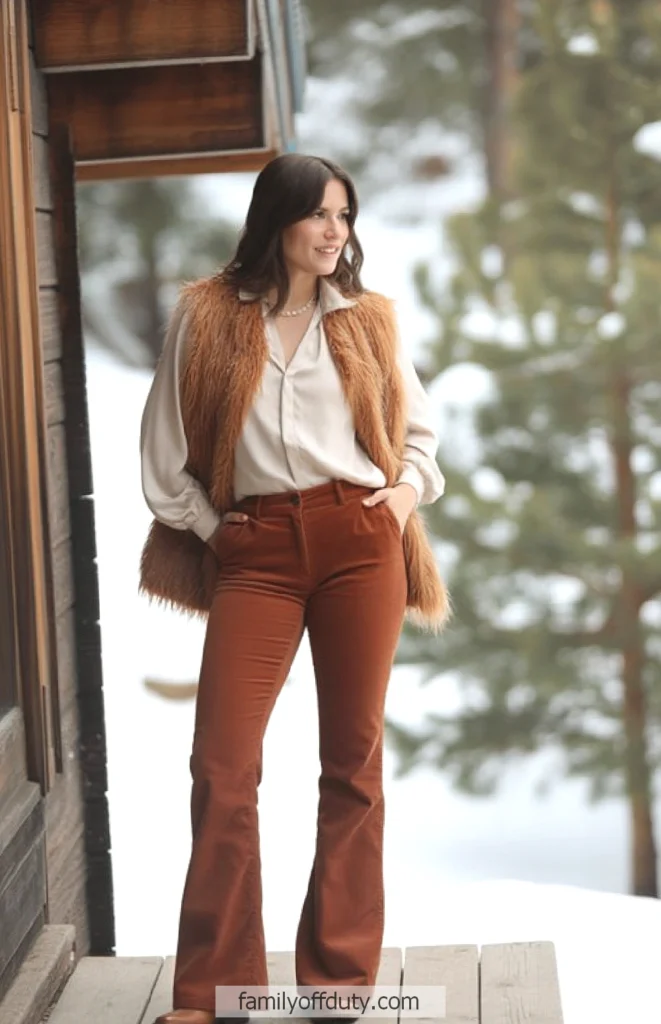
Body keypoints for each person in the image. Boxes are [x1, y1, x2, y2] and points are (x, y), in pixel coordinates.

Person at [138, 153, 450, 1024]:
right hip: (258, 552)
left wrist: (398, 498)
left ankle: (339, 986)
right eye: (317, 214)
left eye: (344, 217)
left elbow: (419, 432)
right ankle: (210, 994)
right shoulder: (205, 316)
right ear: (275, 219)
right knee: (222, 767)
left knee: (351, 764)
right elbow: (164, 461)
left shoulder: (368, 321)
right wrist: (213, 531)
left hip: (360, 544)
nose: (333, 231)